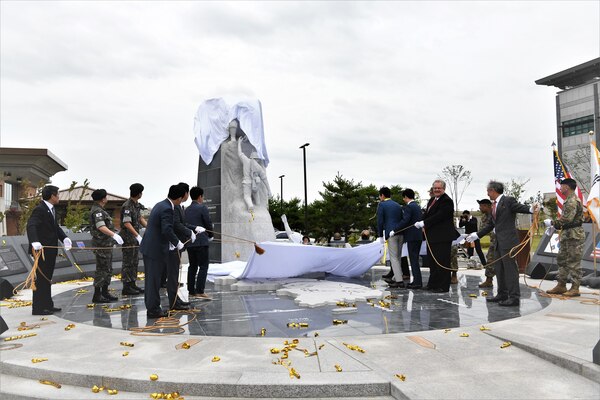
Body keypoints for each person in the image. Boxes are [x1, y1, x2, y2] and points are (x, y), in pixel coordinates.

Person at [467, 180, 538, 306]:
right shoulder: (494, 205)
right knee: (499, 269)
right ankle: (502, 294)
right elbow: (491, 224)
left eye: (488, 191)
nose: (487, 194)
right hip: (498, 242)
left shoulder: (508, 200)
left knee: (510, 270)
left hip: (508, 242)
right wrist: (477, 235)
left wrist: (531, 209)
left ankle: (514, 297)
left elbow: (519, 207)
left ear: (493, 190)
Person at [140, 185, 185, 319]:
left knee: (151, 280)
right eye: (182, 199)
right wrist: (177, 242)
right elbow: (166, 229)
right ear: (179, 198)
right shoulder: (167, 208)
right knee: (153, 281)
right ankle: (153, 310)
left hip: (151, 247)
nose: (181, 202)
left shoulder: (160, 204)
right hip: (154, 250)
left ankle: (152, 307)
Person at [26, 185, 72, 315]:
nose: (58, 197)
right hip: (41, 251)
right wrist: (34, 241)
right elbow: (31, 225)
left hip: (50, 251)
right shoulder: (40, 209)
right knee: (41, 279)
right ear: (52, 196)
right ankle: (38, 308)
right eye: (57, 194)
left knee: (47, 279)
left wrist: (65, 238)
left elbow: (55, 227)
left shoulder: (51, 209)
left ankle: (47, 304)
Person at [414, 180, 459, 293]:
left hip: (442, 236)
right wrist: (420, 221)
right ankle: (433, 284)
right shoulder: (432, 200)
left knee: (442, 262)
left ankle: (443, 286)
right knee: (432, 262)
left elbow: (440, 216)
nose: (437, 190)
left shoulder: (447, 201)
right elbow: (427, 214)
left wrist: (425, 223)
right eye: (435, 188)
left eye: (439, 188)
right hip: (432, 236)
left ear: (443, 189)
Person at [544, 178, 585, 297]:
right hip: (568, 234)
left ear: (567, 187)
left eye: (561, 186)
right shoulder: (568, 200)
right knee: (562, 260)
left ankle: (575, 288)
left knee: (573, 261)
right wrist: (555, 226)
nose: (560, 188)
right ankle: (561, 285)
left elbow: (567, 218)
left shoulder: (572, 201)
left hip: (574, 235)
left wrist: (553, 223)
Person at [89, 189, 123, 304]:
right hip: (101, 245)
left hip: (106, 245)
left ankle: (105, 292)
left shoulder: (101, 210)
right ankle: (97, 295)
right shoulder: (97, 211)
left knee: (107, 268)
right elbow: (100, 226)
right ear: (103, 199)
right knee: (102, 269)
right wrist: (114, 235)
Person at [390, 188, 423, 289]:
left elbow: (405, 221)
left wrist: (394, 230)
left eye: (403, 198)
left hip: (412, 237)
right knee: (415, 259)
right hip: (418, 236)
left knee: (413, 260)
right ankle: (417, 281)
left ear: (405, 197)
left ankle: (417, 282)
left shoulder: (409, 207)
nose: (403, 200)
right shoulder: (417, 206)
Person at [119, 183, 147, 296]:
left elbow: (140, 218)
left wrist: (149, 228)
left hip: (134, 240)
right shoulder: (127, 206)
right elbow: (126, 223)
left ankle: (132, 283)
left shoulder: (136, 205)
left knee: (134, 261)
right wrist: (137, 235)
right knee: (128, 262)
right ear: (139, 193)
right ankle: (126, 286)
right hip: (128, 239)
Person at [185, 186, 212, 300]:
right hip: (201, 242)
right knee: (203, 266)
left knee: (192, 266)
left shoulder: (186, 210)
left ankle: (191, 290)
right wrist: (210, 235)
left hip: (190, 242)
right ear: (200, 196)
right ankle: (200, 291)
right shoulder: (202, 208)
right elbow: (208, 223)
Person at [377, 187, 404, 288]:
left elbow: (380, 221)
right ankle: (397, 277)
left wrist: (380, 235)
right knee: (398, 257)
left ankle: (399, 280)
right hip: (400, 232)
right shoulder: (397, 205)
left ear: (382, 195)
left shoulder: (382, 204)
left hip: (390, 233)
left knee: (393, 257)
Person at [237, 135, 272, 212]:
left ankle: (250, 205)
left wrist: (239, 143)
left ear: (251, 157)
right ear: (257, 159)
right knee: (257, 198)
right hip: (255, 184)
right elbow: (264, 179)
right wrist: (269, 190)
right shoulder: (259, 167)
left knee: (247, 196)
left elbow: (240, 153)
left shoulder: (246, 160)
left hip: (247, 182)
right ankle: (258, 205)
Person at [476, 199, 496, 288]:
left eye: (481, 206)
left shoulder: (495, 213)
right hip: (494, 241)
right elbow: (483, 230)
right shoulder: (484, 216)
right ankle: (489, 280)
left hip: (504, 241)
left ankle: (510, 282)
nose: (479, 208)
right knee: (490, 259)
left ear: (486, 206)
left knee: (507, 261)